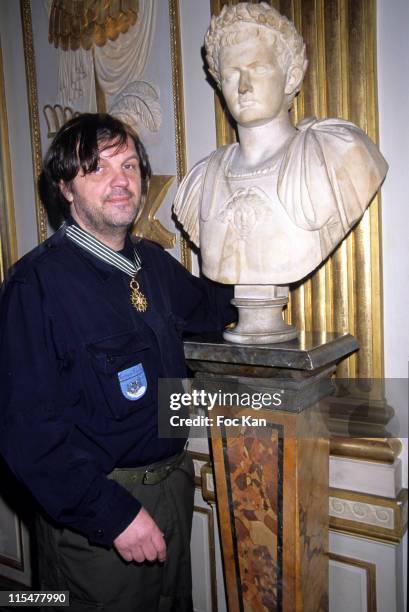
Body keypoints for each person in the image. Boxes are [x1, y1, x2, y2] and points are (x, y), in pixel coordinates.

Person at [0, 113, 234, 611]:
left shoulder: (152, 264)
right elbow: (27, 436)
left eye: (129, 165)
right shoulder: (34, 287)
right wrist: (113, 515)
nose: (120, 180)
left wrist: (233, 235)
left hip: (172, 494)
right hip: (97, 521)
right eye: (97, 169)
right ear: (66, 187)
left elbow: (215, 316)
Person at [174, 1, 388, 285]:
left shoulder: (336, 153)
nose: (243, 86)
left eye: (257, 68)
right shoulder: (201, 180)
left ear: (291, 77)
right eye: (230, 75)